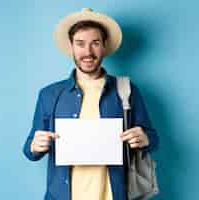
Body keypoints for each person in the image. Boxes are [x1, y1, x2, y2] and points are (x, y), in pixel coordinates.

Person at [22, 8, 159, 200]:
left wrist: (145, 139)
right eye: (80, 44)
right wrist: (35, 146)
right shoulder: (49, 95)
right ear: (71, 47)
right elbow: (29, 150)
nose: (88, 52)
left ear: (104, 46)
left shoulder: (127, 90)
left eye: (95, 43)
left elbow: (152, 139)